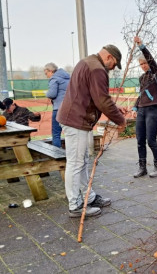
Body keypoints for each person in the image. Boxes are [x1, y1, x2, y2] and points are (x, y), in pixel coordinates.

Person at [57, 44, 126, 218]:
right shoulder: (97, 69)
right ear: (109, 57)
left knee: (82, 161)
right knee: (75, 163)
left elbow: (95, 96)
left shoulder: (87, 62)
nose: (113, 69)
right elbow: (102, 101)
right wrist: (120, 120)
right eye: (114, 64)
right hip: (76, 120)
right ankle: (75, 205)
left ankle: (88, 197)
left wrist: (116, 109)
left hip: (76, 118)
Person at [132, 36, 157, 178]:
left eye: (145, 63)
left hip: (153, 110)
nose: (144, 65)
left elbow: (151, 60)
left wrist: (142, 46)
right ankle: (142, 167)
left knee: (151, 140)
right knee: (140, 141)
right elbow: (141, 94)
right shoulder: (142, 78)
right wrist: (135, 108)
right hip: (141, 110)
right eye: (141, 64)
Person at [44, 63, 70, 148]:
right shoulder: (68, 78)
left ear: (51, 71)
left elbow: (52, 94)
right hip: (71, 108)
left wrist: (46, 94)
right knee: (70, 134)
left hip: (59, 109)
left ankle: (57, 155)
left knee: (56, 134)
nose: (46, 76)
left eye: (46, 73)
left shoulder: (54, 79)